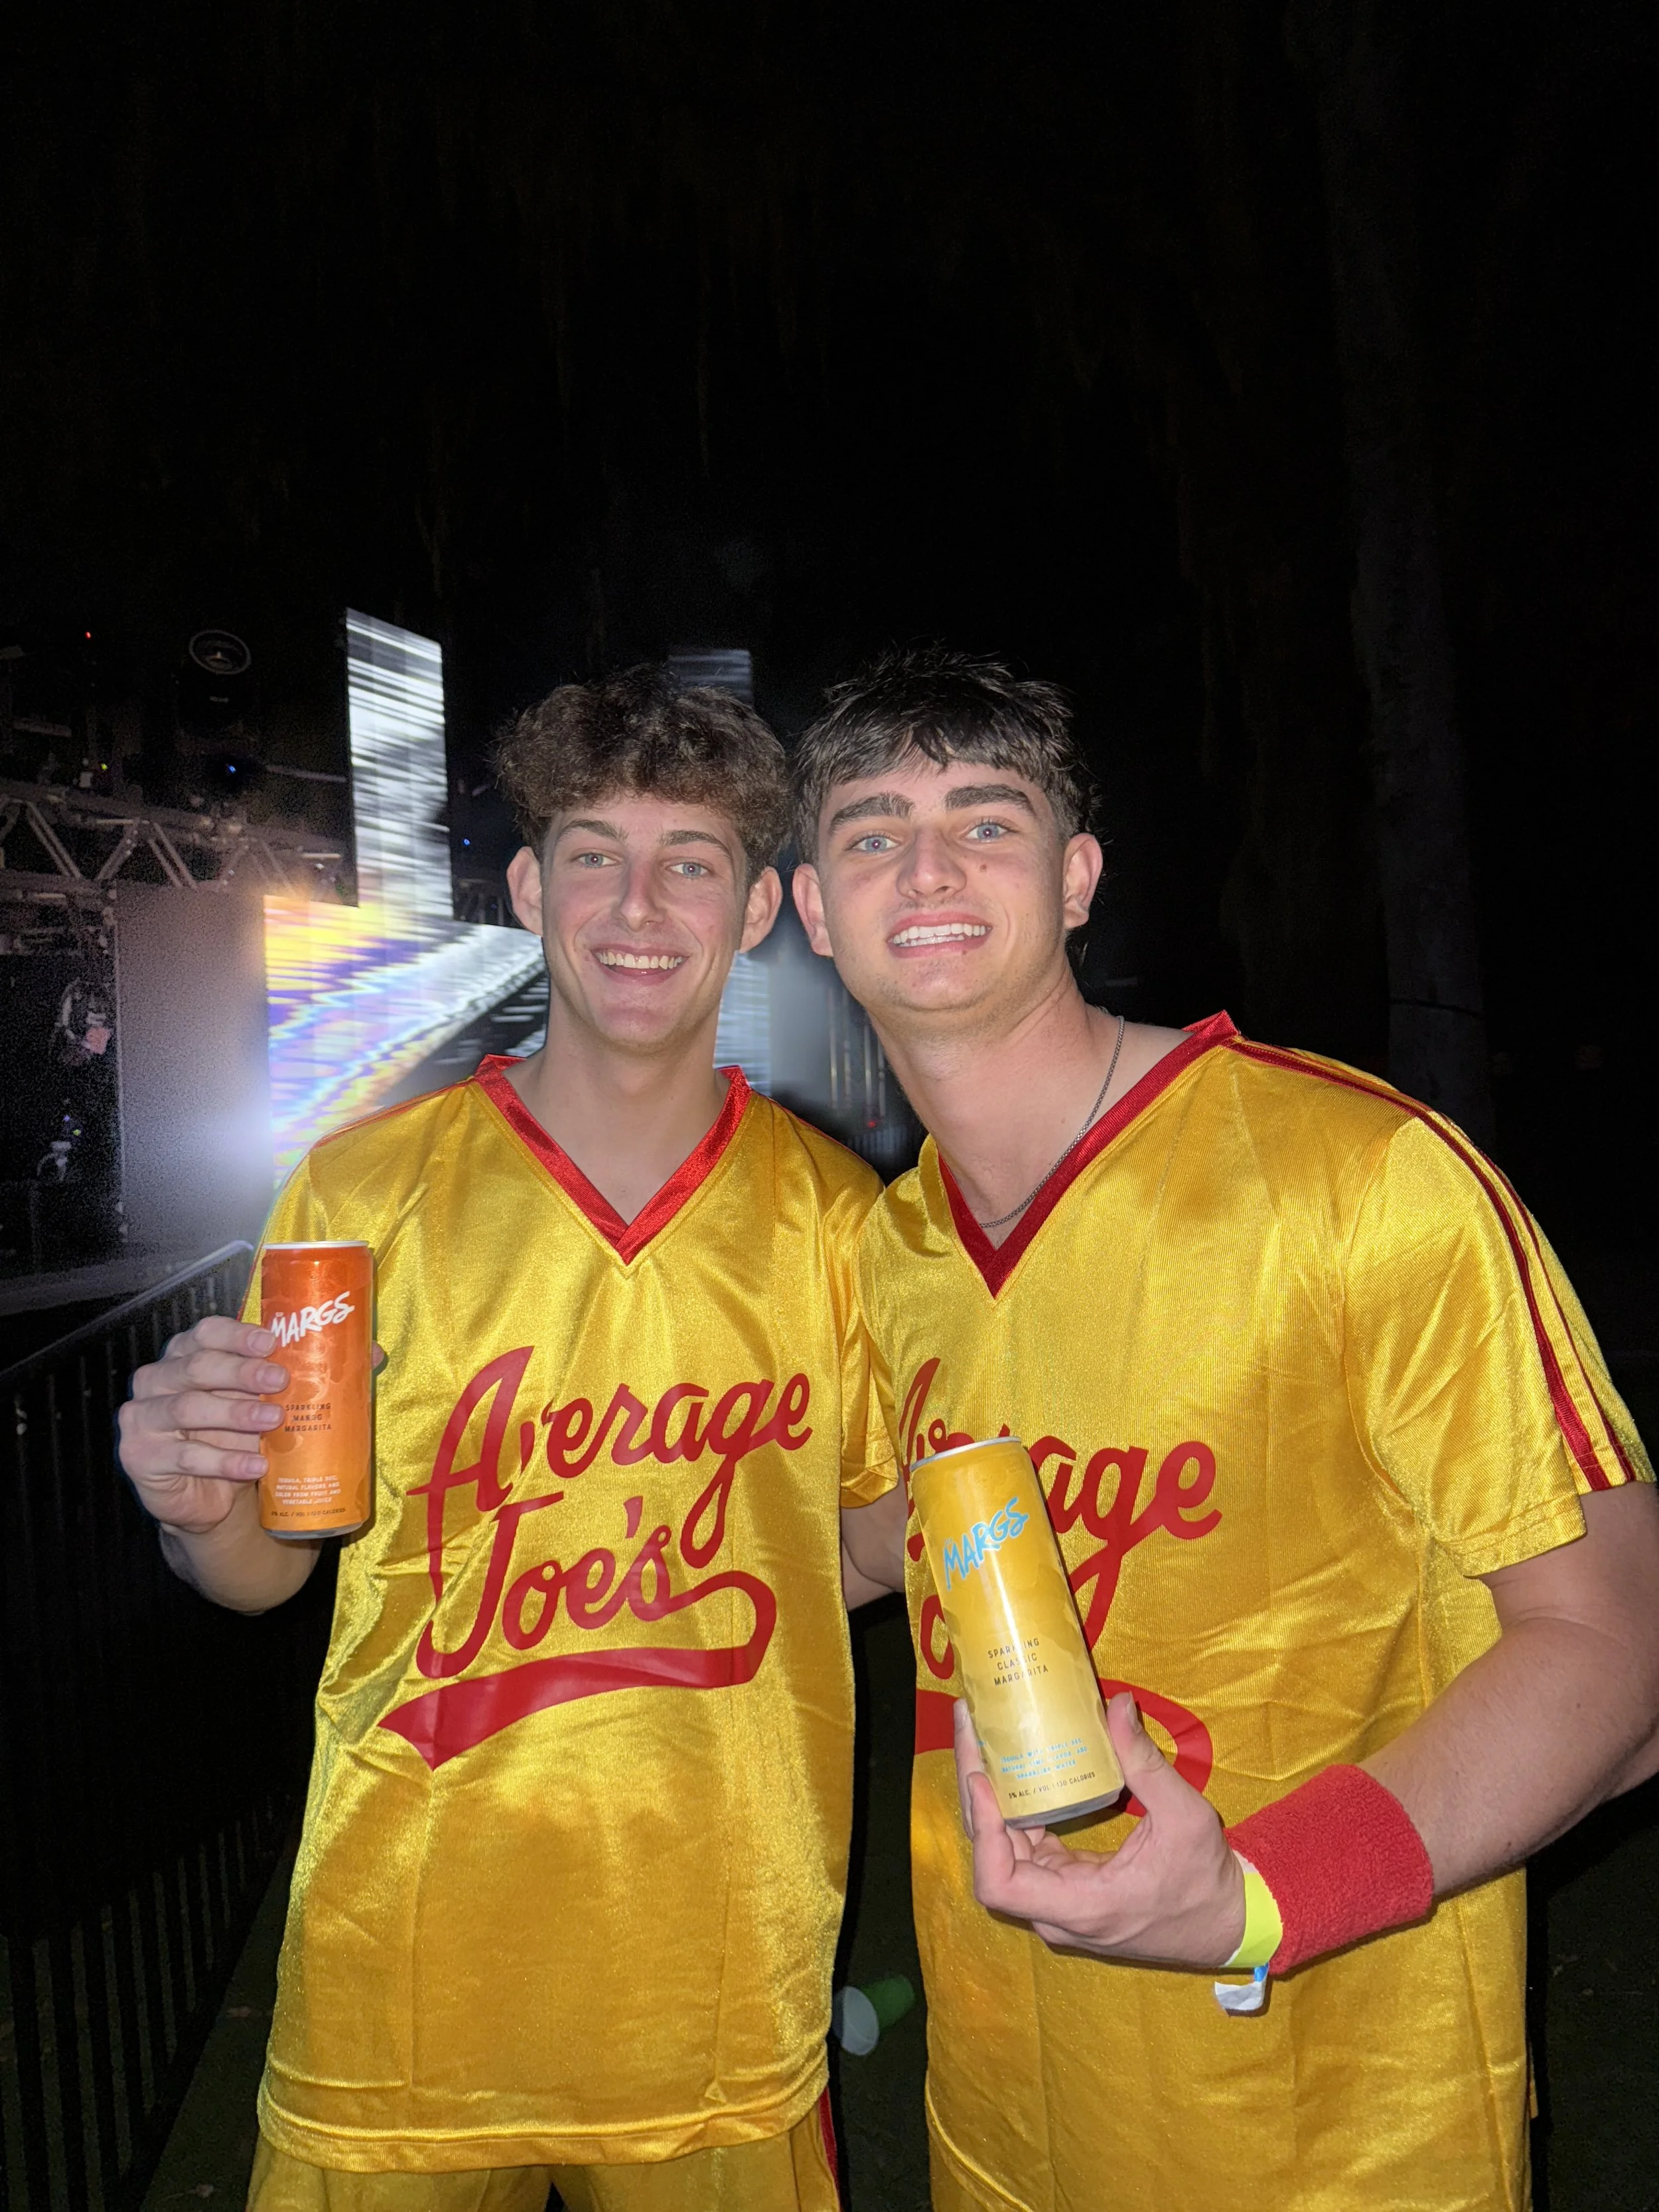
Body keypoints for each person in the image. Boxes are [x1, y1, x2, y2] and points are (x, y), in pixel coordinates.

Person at [789, 646, 1659, 2212]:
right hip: (1003, 2125)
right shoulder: (883, 1255)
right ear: (808, 911)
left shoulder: (1356, 1175)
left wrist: (1253, 1898)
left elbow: (1612, 1648)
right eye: (869, 830)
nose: (922, 864)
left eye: (983, 821)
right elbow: (857, 1546)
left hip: (1332, 2134)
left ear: (1075, 878)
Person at [118, 667, 906, 2212]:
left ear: (754, 910)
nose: (638, 901)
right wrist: (193, 1500)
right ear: (529, 887)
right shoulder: (362, 1195)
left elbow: (859, 1545)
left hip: (719, 1978)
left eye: (691, 860)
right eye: (594, 853)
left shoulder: (838, 1219)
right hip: (403, 1973)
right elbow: (268, 1570)